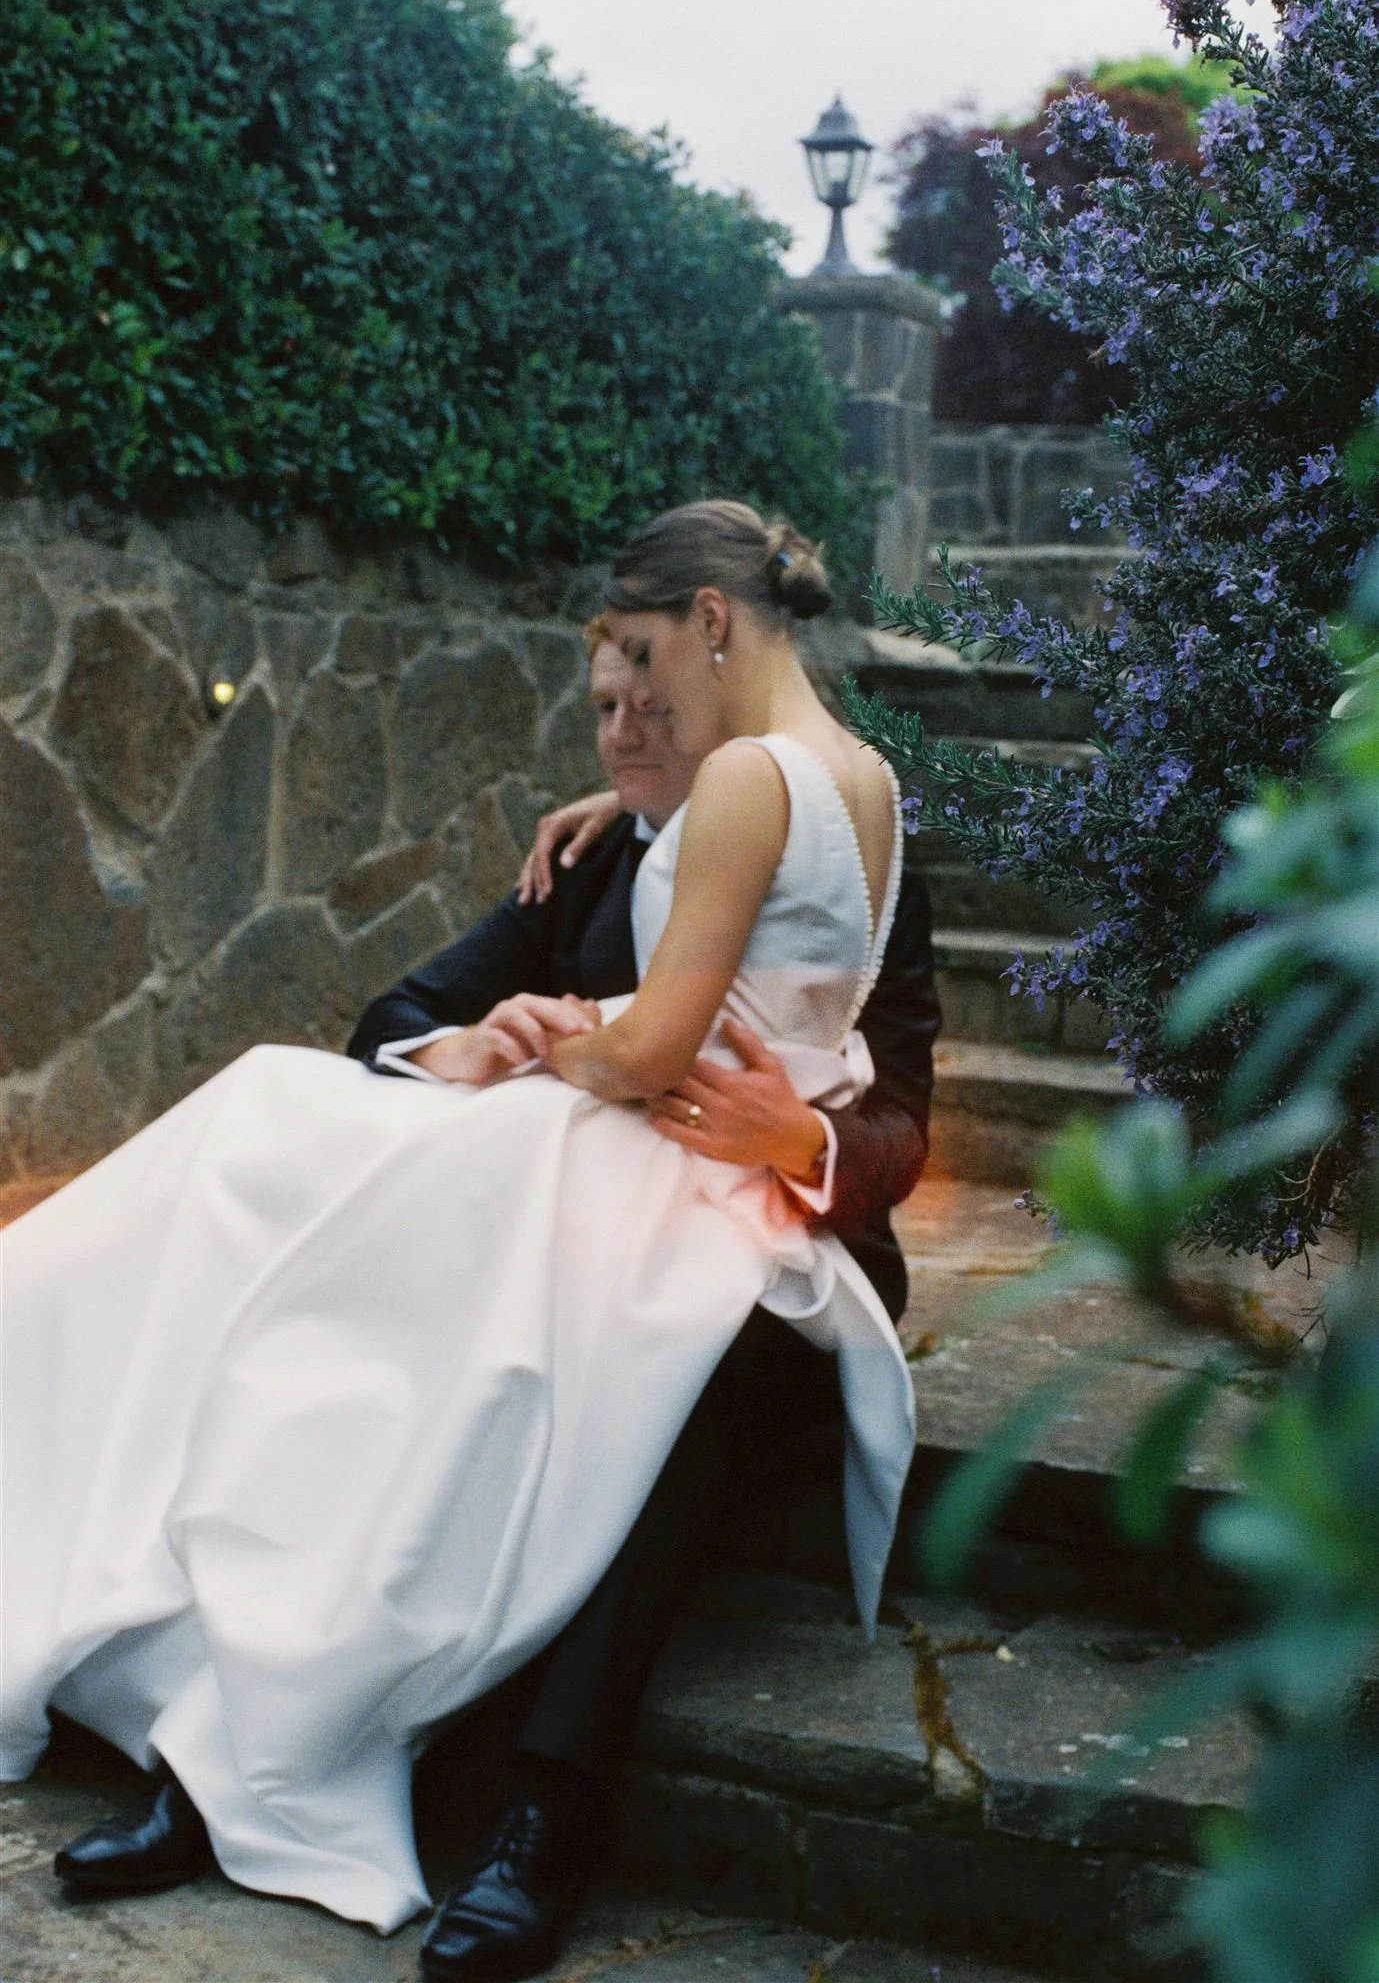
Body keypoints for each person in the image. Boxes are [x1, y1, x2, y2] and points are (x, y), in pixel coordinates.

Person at [1, 500, 920, 1975]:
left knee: (354, 1276)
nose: (633, 717)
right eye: (605, 700)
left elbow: (667, 1049)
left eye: (643, 669)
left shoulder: (751, 776)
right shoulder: (862, 780)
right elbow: (733, 981)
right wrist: (596, 899)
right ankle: (223, 1744)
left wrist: (576, 1043)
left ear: (705, 620)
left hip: (703, 1185)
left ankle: (337, 1770)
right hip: (658, 1169)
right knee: (325, 1243)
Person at [343, 633, 939, 1979]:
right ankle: (274, 1724)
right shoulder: (593, 861)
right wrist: (468, 1043)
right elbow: (393, 1013)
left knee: (678, 1358)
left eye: (648, 703)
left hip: (776, 1276)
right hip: (573, 1242)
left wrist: (801, 1140)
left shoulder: (846, 850)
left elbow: (904, 1104)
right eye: (601, 710)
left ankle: (543, 1807)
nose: (619, 734)